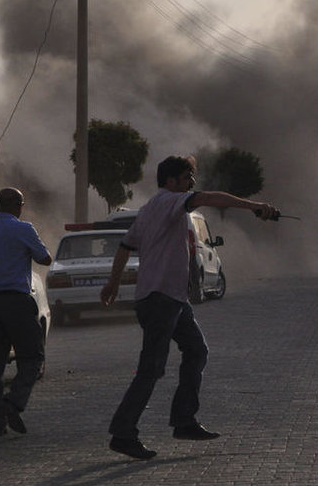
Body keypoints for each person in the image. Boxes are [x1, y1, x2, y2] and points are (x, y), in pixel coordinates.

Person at [100, 156, 278, 460]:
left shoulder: (148, 210)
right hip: (160, 299)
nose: (191, 183)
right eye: (187, 177)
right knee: (151, 369)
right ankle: (123, 433)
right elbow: (208, 197)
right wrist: (255, 206)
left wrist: (113, 284)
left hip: (169, 300)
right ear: (171, 181)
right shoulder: (170, 201)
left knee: (197, 350)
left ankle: (184, 420)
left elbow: (125, 247)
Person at [0, 188, 52, 436]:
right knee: (33, 357)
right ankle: (12, 403)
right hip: (17, 302)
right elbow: (45, 259)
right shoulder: (23, 229)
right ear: (19, 206)